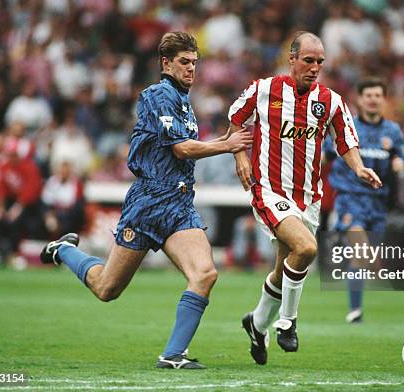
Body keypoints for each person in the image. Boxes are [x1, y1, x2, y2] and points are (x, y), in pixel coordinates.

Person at [39, 32, 251, 369]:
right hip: (149, 203)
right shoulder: (156, 96)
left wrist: (228, 142)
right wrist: (227, 144)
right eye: (185, 62)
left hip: (179, 205)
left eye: (195, 63)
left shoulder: (184, 102)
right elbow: (181, 148)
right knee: (107, 289)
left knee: (206, 273)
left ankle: (173, 355)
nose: (191, 69)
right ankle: (64, 249)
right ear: (166, 63)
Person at [228, 31, 382, 365]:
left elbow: (345, 140)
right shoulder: (263, 89)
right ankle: (287, 322)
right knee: (307, 248)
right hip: (268, 190)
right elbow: (236, 119)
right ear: (292, 59)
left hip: (308, 198)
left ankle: (256, 324)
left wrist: (358, 168)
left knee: (284, 267)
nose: (314, 68)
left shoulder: (331, 101)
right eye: (308, 61)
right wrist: (240, 157)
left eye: (320, 63)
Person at [324, 77, 404, 323]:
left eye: (377, 95)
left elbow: (400, 153)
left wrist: (400, 160)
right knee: (361, 252)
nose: (372, 100)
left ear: (383, 100)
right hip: (350, 199)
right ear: (359, 99)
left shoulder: (392, 131)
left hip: (379, 203)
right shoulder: (347, 127)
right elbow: (325, 155)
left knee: (364, 258)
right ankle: (355, 312)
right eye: (368, 95)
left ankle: (355, 307)